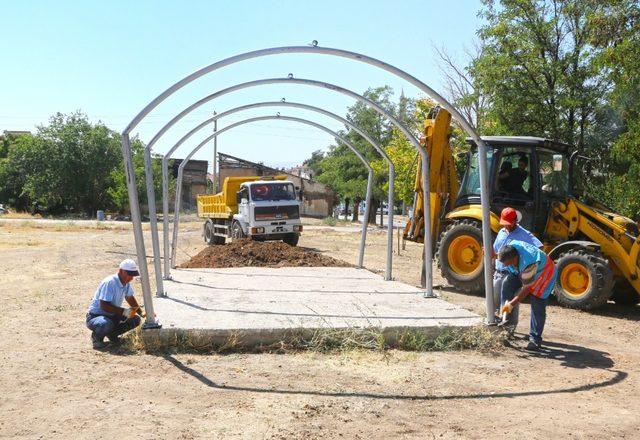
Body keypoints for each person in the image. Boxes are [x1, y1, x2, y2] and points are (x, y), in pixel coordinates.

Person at [498, 241, 558, 351]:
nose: (508, 266)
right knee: (507, 283)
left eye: (509, 264)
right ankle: (505, 322)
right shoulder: (510, 247)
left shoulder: (528, 263)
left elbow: (527, 289)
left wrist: (511, 304)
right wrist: (506, 306)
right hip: (524, 270)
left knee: (537, 302)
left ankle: (535, 339)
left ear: (514, 258)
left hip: (544, 273)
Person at [493, 207, 542, 330]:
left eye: (509, 224)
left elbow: (539, 249)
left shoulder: (524, 235)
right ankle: (498, 323)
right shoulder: (501, 232)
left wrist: (527, 270)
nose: (506, 227)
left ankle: (509, 327)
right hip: (498, 272)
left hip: (513, 273)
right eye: (504, 224)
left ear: (515, 221)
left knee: (510, 300)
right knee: (496, 301)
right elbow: (496, 251)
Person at [86, 259, 142, 349]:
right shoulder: (110, 282)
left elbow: (130, 298)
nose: (131, 278)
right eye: (129, 275)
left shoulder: (126, 283)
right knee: (105, 323)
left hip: (112, 315)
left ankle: (112, 335)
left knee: (135, 319)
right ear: (120, 271)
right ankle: (96, 338)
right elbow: (104, 305)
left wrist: (140, 312)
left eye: (133, 276)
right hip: (96, 317)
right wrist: (124, 312)